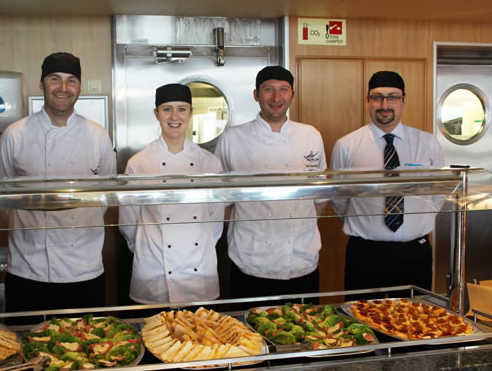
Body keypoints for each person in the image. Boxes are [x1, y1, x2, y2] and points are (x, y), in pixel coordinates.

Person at [0, 52, 117, 316]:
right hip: (29, 266)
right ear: (41, 84)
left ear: (79, 87)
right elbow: (3, 198)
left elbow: (105, 198)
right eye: (55, 79)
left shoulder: (98, 136)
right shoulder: (14, 135)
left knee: (88, 349)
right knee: (28, 347)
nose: (63, 88)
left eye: (71, 81)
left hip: (85, 266)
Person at [215, 66, 326, 303]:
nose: (276, 98)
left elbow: (320, 197)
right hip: (251, 261)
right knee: (249, 337)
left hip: (302, 259)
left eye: (283, 90)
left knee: (305, 335)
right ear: (256, 95)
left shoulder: (310, 135)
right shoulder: (233, 138)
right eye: (269, 90)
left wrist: (301, 228)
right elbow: (223, 202)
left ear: (292, 95)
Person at [330, 70, 444, 299]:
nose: (385, 104)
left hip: (415, 253)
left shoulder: (428, 144)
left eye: (392, 97)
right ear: (367, 101)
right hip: (364, 253)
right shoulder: (347, 145)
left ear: (404, 101)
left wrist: (415, 222)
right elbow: (339, 199)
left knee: (415, 324)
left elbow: (437, 196)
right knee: (360, 327)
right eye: (377, 97)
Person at [119, 84, 224, 304]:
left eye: (182, 109)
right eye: (167, 109)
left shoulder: (210, 163)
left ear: (191, 113)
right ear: (156, 114)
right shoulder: (139, 163)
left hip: (200, 272)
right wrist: (145, 251)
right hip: (154, 270)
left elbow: (215, 221)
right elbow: (128, 223)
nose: (174, 116)